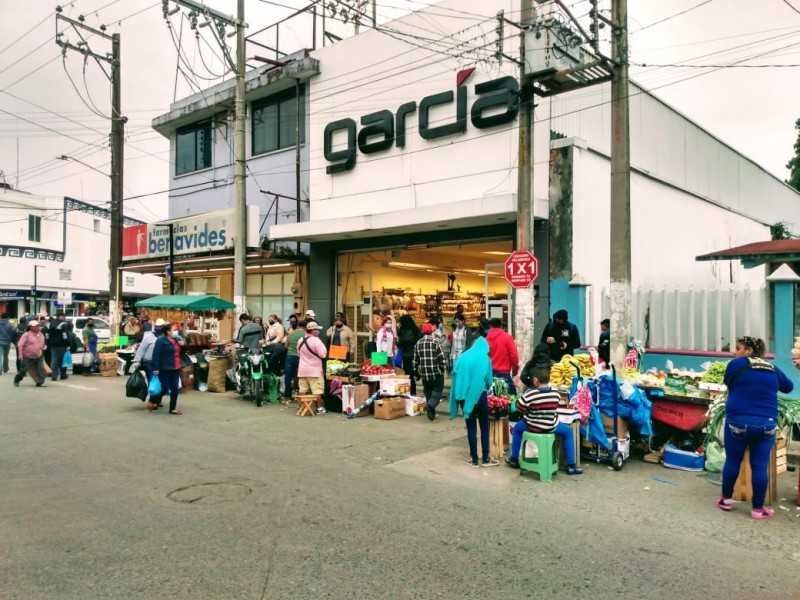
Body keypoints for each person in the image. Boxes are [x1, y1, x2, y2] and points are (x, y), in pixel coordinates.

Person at [716, 336, 793, 520]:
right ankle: (757, 510)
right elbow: (788, 387)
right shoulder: (772, 368)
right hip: (766, 424)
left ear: (749, 351)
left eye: (738, 348)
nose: (734, 352)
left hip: (738, 422)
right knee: (759, 466)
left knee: (733, 461)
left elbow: (728, 382)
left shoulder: (736, 364)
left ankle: (726, 500)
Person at [505, 362, 583, 475]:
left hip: (532, 425)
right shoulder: (556, 394)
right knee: (568, 433)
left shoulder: (530, 394)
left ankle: (513, 459)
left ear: (535, 380)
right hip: (551, 426)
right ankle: (571, 466)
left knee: (517, 429)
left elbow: (519, 407)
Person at [449, 327, 500, 468]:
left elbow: (454, 374)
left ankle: (474, 459)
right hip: (479, 396)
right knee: (484, 427)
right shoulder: (485, 358)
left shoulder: (462, 357)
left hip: (463, 397)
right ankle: (485, 458)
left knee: (470, 427)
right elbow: (489, 380)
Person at [150, 322, 184, 415]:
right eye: (174, 330)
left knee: (175, 389)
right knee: (164, 388)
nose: (176, 332)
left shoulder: (177, 340)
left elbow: (182, 352)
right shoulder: (161, 341)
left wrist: (183, 345)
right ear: (168, 332)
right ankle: (153, 400)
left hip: (176, 367)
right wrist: (155, 368)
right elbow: (156, 355)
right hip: (164, 368)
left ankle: (172, 408)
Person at [414, 323, 446, 421]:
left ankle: (431, 412)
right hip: (436, 372)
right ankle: (431, 406)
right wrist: (442, 368)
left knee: (428, 391)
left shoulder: (418, 343)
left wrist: (416, 373)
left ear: (422, 331)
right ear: (431, 331)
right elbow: (441, 358)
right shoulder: (436, 342)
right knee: (437, 390)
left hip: (424, 372)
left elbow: (415, 360)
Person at [296, 320, 328, 414]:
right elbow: (323, 355)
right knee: (317, 390)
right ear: (314, 330)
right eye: (317, 330)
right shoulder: (316, 341)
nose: (318, 331)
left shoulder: (301, 340)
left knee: (302, 389)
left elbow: (299, 354)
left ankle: (301, 407)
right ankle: (319, 409)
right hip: (315, 370)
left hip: (302, 369)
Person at [486, 317, 519, 395]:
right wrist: (515, 369)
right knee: (511, 397)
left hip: (490, 373)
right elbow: (514, 355)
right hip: (504, 373)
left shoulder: (486, 339)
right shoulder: (507, 337)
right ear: (501, 326)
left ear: (490, 326)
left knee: (492, 400)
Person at [13, 320, 47, 388]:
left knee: (40, 369)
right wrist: (20, 354)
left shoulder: (41, 334)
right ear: (30, 327)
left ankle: (40, 382)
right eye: (35, 326)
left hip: (39, 355)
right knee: (24, 370)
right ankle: (17, 379)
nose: (37, 327)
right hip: (28, 356)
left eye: (38, 326)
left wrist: (44, 347)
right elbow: (20, 344)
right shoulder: (26, 334)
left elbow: (43, 343)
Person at [397, 314, 422, 395]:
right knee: (413, 372)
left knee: (409, 375)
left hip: (407, 355)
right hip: (416, 355)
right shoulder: (416, 330)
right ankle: (417, 376)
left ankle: (412, 392)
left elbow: (400, 345)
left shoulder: (403, 332)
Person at [282, 318, 306, 404]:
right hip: (300, 358)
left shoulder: (291, 333)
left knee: (288, 377)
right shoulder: (306, 334)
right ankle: (300, 394)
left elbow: (286, 345)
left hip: (290, 356)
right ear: (306, 327)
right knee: (300, 377)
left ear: (298, 326)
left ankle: (287, 396)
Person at [47, 311, 71, 381]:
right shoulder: (63, 324)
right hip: (62, 345)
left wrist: (48, 342)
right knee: (63, 360)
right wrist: (68, 344)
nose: (64, 318)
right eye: (63, 316)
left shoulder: (50, 324)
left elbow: (47, 335)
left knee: (54, 360)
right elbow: (65, 336)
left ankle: (54, 376)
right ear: (60, 317)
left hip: (53, 345)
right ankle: (63, 375)